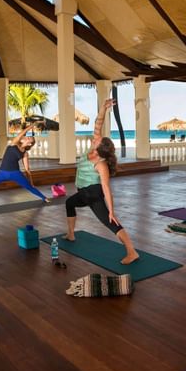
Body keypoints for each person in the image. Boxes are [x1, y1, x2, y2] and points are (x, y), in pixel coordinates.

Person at [63, 99, 139, 265]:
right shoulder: (92, 149)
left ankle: (132, 252)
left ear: (99, 149)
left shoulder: (101, 164)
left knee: (109, 222)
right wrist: (104, 108)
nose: (94, 138)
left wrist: (111, 211)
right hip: (83, 192)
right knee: (69, 203)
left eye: (97, 140)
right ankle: (71, 234)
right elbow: (98, 123)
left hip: (93, 194)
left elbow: (106, 188)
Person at [0, 122, 49, 212]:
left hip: (16, 174)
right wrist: (32, 126)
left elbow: (27, 169)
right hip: (2, 173)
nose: (26, 137)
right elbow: (22, 133)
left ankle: (44, 198)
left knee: (30, 187)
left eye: (29, 138)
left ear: (30, 144)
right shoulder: (13, 144)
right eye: (27, 136)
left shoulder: (25, 153)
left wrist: (31, 182)